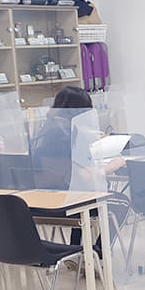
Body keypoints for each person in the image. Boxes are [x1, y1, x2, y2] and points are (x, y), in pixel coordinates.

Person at [31, 86, 125, 251]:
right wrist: (112, 166)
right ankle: (98, 252)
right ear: (78, 112)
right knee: (120, 202)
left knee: (81, 193)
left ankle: (77, 250)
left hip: (42, 202)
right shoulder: (65, 137)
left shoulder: (43, 132)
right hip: (67, 205)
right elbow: (85, 177)